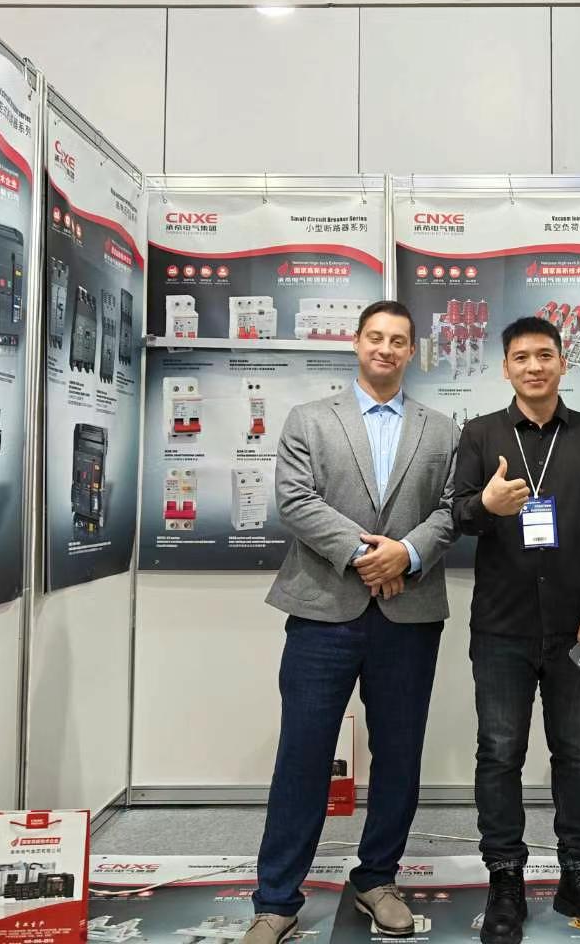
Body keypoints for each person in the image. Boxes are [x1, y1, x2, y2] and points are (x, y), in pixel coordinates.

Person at [246, 300, 460, 944]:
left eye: (398, 340)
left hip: (409, 615)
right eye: (375, 337)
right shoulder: (310, 419)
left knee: (399, 753)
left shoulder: (442, 429)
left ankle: (377, 879)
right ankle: (277, 898)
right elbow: (295, 501)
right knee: (303, 753)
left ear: (412, 351)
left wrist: (408, 554)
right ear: (357, 343)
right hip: (322, 611)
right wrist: (371, 557)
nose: (385, 349)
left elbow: (453, 509)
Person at [451, 315, 580, 944]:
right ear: (505, 367)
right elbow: (457, 515)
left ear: (563, 362)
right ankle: (505, 878)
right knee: (499, 753)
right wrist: (486, 506)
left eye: (545, 355)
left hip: (577, 626)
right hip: (501, 626)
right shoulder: (480, 433)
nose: (534, 366)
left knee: (578, 754)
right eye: (521, 357)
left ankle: (578, 874)